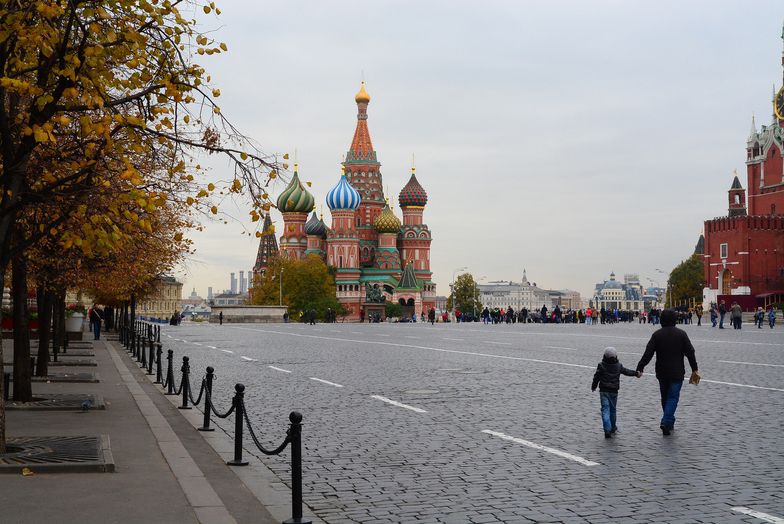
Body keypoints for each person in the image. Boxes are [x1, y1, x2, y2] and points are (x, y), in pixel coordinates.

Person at [636, 309, 699, 436]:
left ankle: (669, 420)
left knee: (665, 397)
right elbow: (690, 352)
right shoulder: (681, 334)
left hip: (662, 371)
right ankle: (666, 421)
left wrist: (640, 367)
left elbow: (648, 353)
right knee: (673, 398)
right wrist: (694, 368)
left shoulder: (657, 334)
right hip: (677, 372)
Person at [591, 347, 639, 438]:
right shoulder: (618, 366)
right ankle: (613, 427)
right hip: (614, 391)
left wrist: (594, 386)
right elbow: (627, 371)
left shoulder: (601, 365)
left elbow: (596, 377)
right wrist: (636, 373)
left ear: (604, 356)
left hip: (604, 391)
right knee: (613, 410)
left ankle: (607, 429)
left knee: (605, 410)